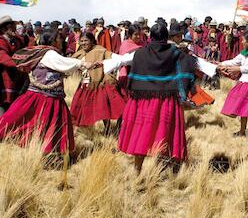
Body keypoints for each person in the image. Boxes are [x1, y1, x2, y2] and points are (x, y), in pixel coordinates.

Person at [101, 23, 198, 173]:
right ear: (166, 38)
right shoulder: (175, 52)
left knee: (141, 132)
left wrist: (98, 64)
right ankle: (165, 170)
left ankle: (137, 169)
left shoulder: (140, 53)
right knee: (164, 132)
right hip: (166, 100)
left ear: (150, 37)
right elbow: (194, 63)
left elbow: (121, 61)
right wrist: (218, 68)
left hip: (143, 100)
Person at [0, 28, 91, 153]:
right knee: (43, 124)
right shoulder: (49, 53)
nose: (61, 41)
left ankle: (47, 151)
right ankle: (47, 152)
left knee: (35, 122)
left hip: (48, 96)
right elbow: (63, 63)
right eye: (59, 38)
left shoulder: (42, 51)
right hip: (44, 98)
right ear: (53, 40)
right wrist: (83, 64)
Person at [70, 33, 126, 133]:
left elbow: (114, 57)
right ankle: (83, 131)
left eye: (86, 41)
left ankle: (110, 129)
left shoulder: (100, 50)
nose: (83, 43)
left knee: (105, 107)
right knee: (79, 107)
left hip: (99, 84)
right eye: (81, 41)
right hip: (85, 84)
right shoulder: (80, 53)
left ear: (92, 41)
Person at [0, 16, 27, 116]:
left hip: (18, 77)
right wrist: (19, 65)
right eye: (10, 26)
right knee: (4, 103)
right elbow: (3, 57)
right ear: (3, 29)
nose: (14, 28)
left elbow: (24, 53)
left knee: (17, 102)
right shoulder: (1, 41)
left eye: (13, 25)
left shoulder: (18, 40)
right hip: (4, 78)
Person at [118, 24, 144, 90]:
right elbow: (123, 61)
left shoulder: (143, 44)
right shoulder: (125, 44)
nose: (138, 36)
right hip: (129, 73)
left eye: (139, 34)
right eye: (135, 34)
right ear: (130, 35)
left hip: (141, 74)